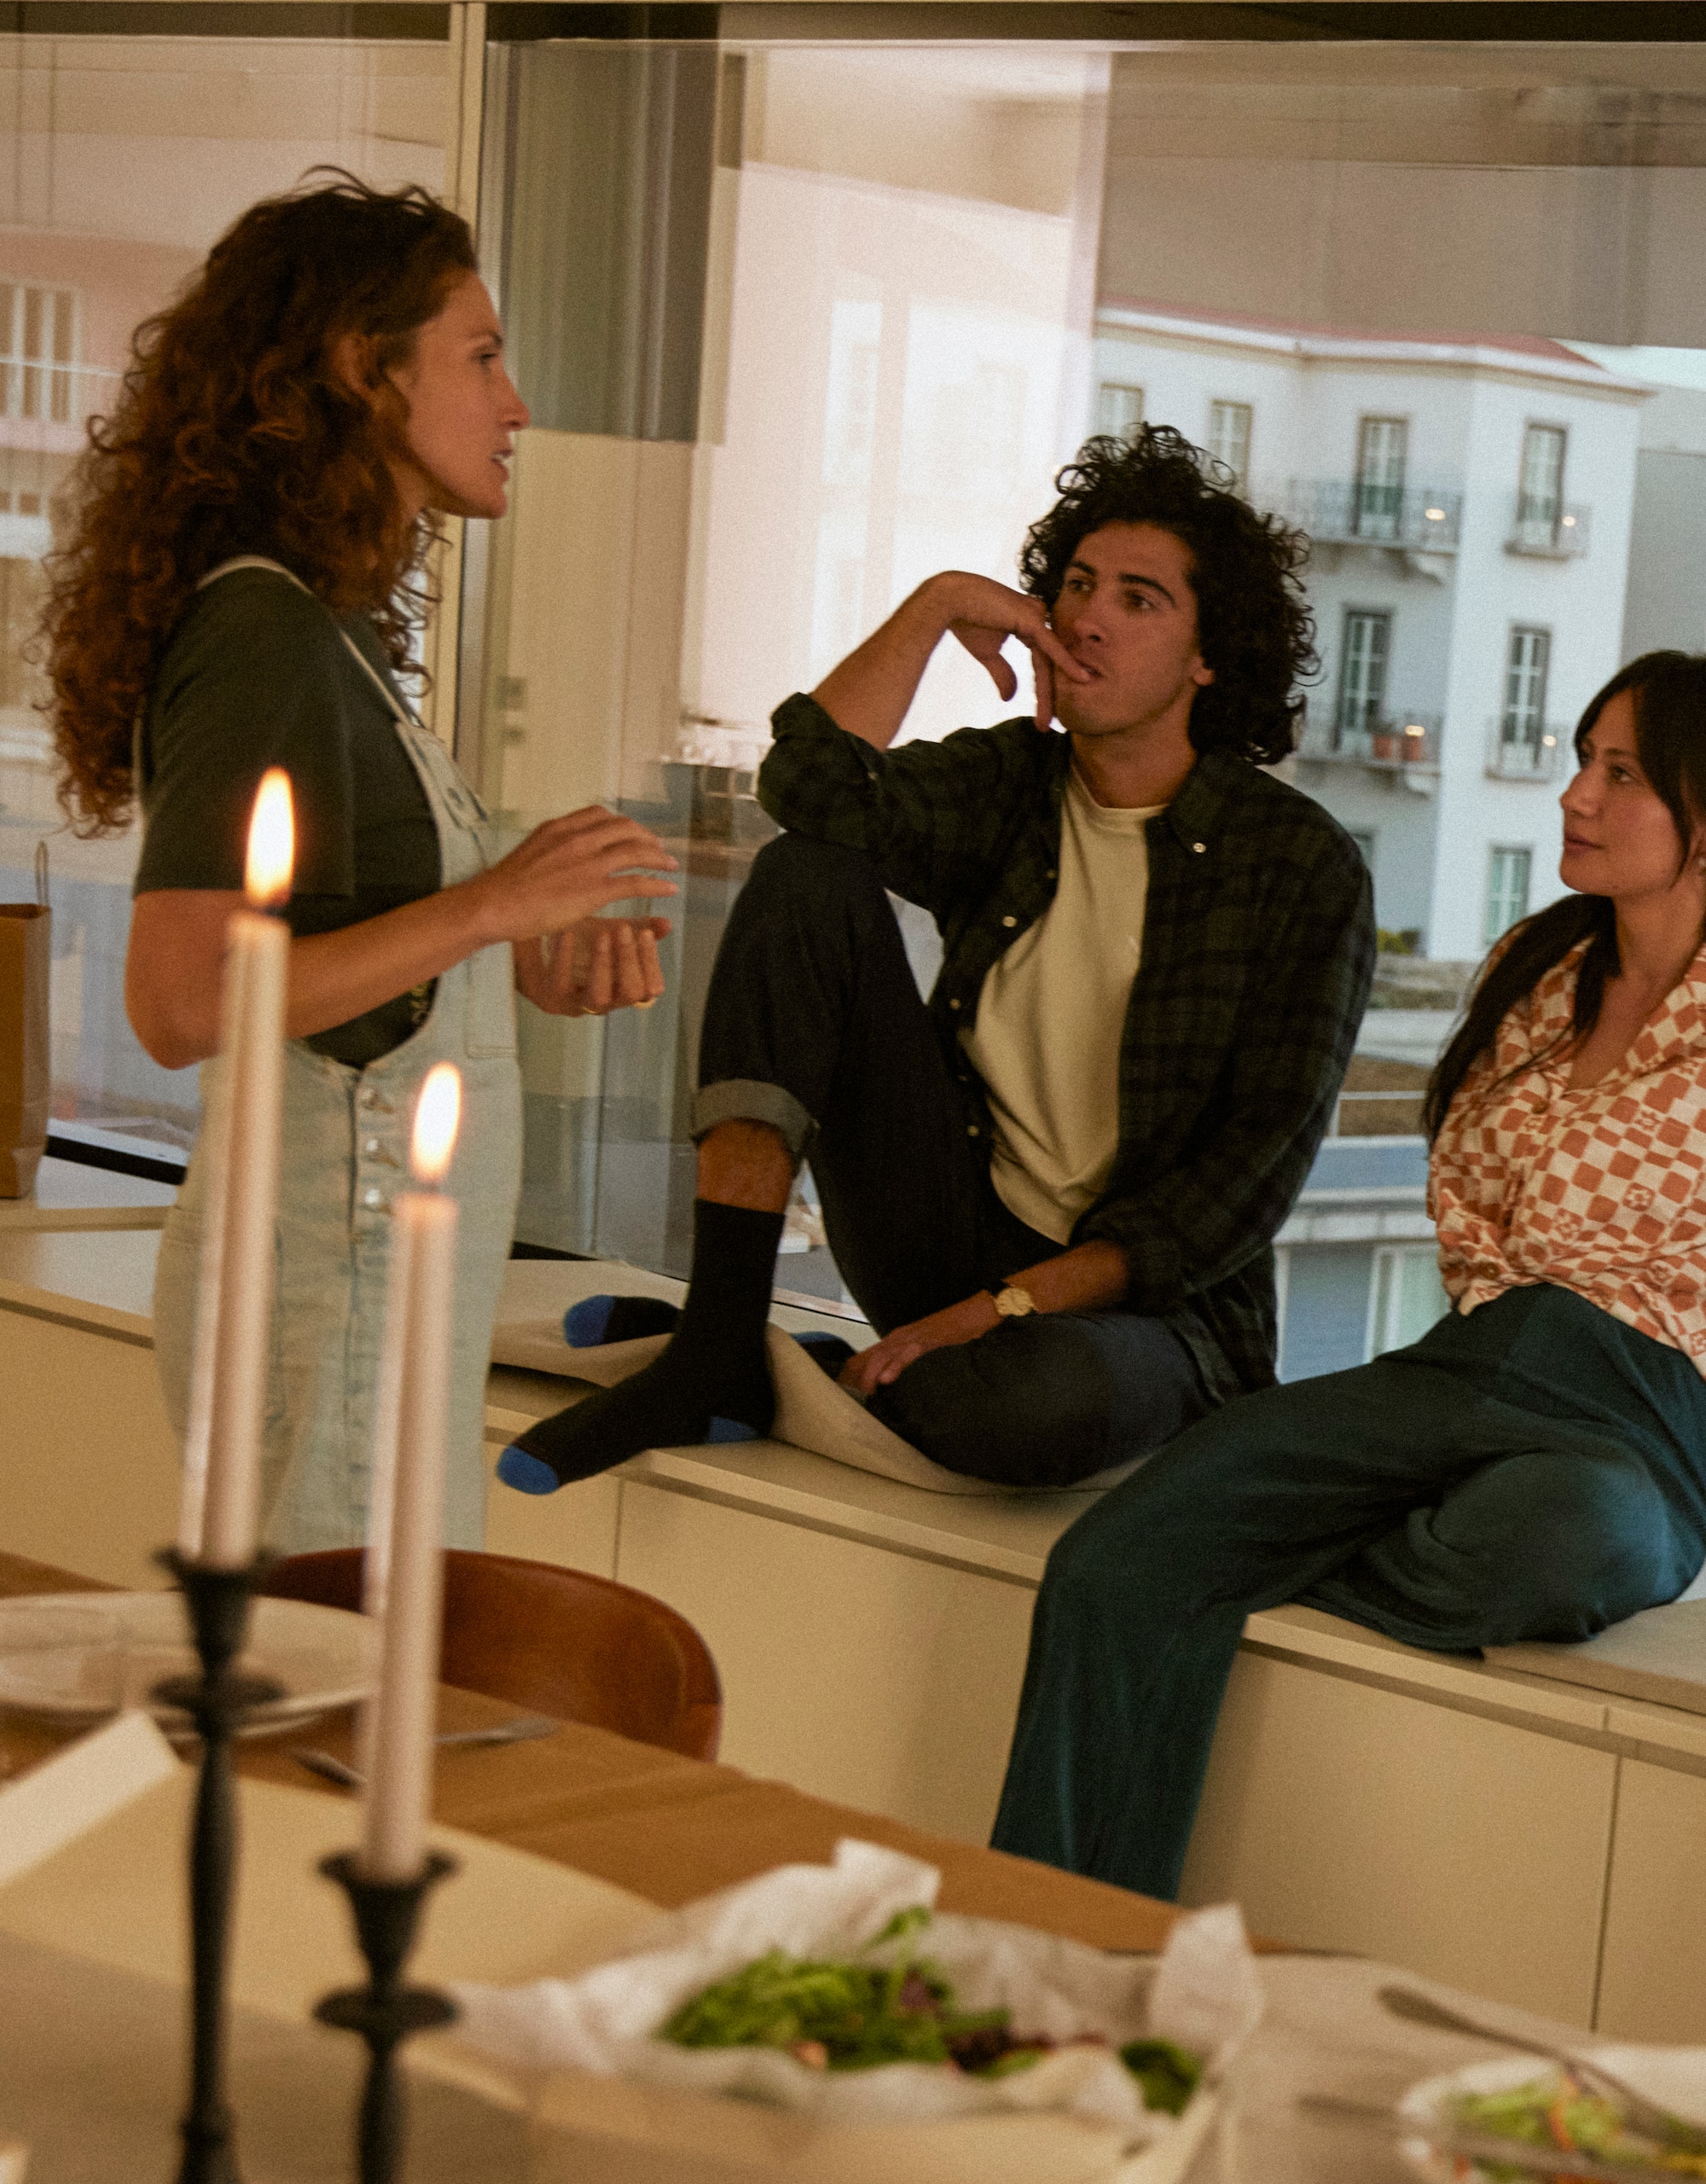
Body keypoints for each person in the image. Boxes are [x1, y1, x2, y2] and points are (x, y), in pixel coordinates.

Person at [994, 649, 1706, 1898]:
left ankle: (1264, 1568)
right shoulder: (1540, 968)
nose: (1577, 794)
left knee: (1550, 1545)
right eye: (1582, 761)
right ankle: (1042, 1936)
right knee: (1116, 1554)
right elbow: (1469, 1209)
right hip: (1460, 1369)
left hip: (1630, 1415)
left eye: (1620, 773)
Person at [497, 424, 1370, 1496]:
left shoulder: (1296, 865)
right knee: (809, 874)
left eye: (1138, 600)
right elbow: (813, 791)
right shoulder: (1014, 786)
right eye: (1079, 585)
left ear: (1207, 654)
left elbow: (1231, 1201)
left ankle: (796, 1370)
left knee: (1024, 1411)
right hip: (947, 1228)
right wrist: (935, 606)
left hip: (1135, 1313)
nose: (1089, 617)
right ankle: (718, 1339)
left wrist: (996, 1313)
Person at [44, 174, 674, 1554]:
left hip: (369, 1292)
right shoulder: (265, 631)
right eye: (483, 356)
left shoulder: (331, 636)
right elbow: (183, 1001)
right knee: (325, 1724)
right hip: (333, 1293)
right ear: (359, 368)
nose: (516, 405)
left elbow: (344, 984)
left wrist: (507, 951)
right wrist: (495, 903)